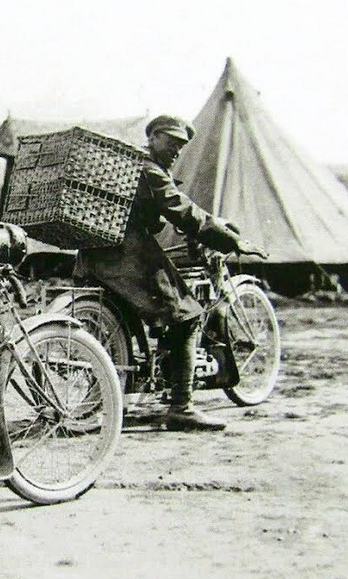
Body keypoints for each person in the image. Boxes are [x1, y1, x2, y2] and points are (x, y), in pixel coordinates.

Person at [75, 115, 263, 431]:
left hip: (93, 259)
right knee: (188, 316)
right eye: (172, 142)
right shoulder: (149, 171)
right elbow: (182, 210)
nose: (177, 150)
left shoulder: (130, 168)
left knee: (130, 320)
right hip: (128, 257)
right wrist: (232, 240)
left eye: (181, 146)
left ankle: (106, 394)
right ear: (155, 137)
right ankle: (182, 407)